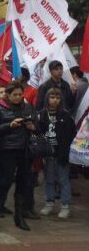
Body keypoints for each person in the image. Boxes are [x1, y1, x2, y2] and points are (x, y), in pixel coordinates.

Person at [0, 80, 36, 232]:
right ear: (8, 95)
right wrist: (10, 125)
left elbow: (37, 126)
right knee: (4, 183)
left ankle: (19, 216)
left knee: (23, 183)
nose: (18, 97)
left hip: (25, 150)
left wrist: (32, 126)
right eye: (14, 95)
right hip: (7, 150)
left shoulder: (27, 107)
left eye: (20, 95)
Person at [37, 88, 76, 219]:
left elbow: (71, 135)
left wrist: (66, 153)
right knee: (49, 179)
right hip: (47, 153)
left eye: (57, 97)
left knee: (63, 179)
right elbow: (38, 132)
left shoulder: (66, 115)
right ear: (47, 99)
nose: (55, 100)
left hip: (61, 153)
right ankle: (49, 202)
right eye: (52, 97)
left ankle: (65, 205)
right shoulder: (42, 114)